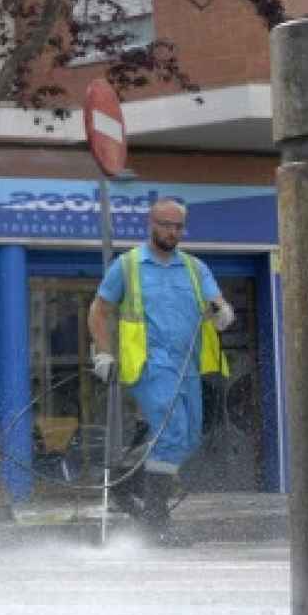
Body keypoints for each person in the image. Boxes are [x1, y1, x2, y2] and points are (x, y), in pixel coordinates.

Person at [87, 198, 234, 544]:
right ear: (151, 224)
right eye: (166, 224)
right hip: (149, 365)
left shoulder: (196, 268)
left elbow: (219, 308)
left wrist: (222, 313)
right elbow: (99, 310)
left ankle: (126, 482)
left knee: (188, 438)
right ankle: (156, 523)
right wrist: (103, 355)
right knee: (171, 433)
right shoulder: (128, 266)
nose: (172, 231)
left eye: (178, 226)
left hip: (189, 367)